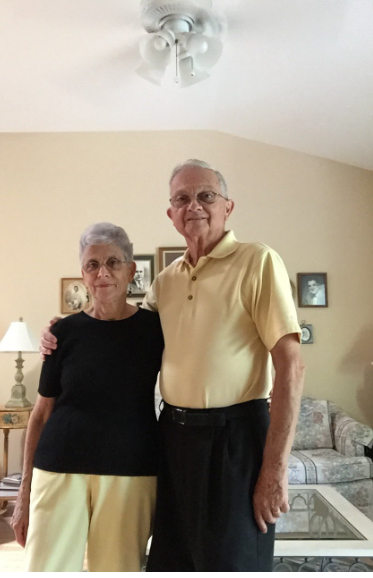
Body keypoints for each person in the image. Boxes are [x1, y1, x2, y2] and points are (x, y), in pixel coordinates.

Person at [41, 160, 305, 572]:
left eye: (206, 196)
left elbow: (291, 367)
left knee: (232, 561)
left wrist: (275, 469)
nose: (194, 206)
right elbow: (117, 325)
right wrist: (64, 329)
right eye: (182, 199)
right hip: (173, 437)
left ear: (227, 206)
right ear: (171, 214)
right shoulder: (166, 281)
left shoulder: (258, 262)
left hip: (236, 437)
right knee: (171, 560)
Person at [11, 223, 164, 572]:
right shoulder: (62, 333)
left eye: (113, 262)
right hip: (58, 467)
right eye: (92, 264)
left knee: (118, 569)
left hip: (131, 472)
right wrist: (23, 494)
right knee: (47, 568)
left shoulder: (156, 330)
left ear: (130, 270)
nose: (102, 272)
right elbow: (40, 413)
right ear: (83, 273)